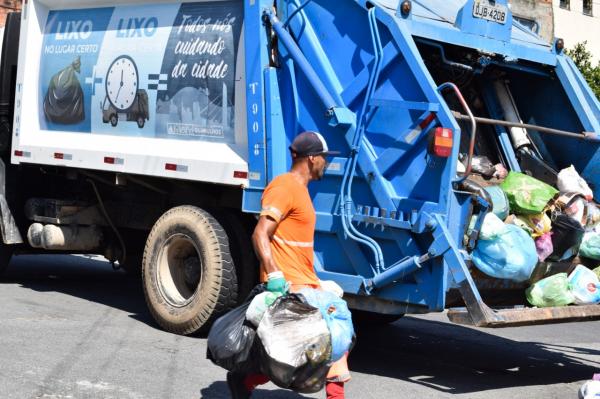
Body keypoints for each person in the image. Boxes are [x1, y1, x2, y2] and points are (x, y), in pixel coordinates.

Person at [227, 131, 350, 399]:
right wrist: (274, 275)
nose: (326, 163)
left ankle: (246, 379)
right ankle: (247, 379)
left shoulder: (302, 191)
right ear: (312, 158)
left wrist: (318, 282)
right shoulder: (284, 186)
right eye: (324, 158)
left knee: (311, 351)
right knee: (336, 334)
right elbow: (260, 233)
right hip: (290, 286)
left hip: (306, 282)